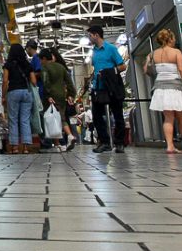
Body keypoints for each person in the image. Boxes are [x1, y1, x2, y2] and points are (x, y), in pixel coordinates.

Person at [146, 29, 182, 155]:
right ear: (170, 39)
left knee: (168, 118)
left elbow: (146, 69)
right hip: (175, 87)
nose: (175, 40)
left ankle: (170, 146)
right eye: (173, 38)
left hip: (160, 88)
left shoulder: (153, 54)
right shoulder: (176, 52)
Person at [87, 25, 127, 154]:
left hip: (112, 86)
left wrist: (109, 72)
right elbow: (96, 68)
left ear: (96, 35)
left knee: (117, 114)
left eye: (90, 35)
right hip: (98, 87)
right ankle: (104, 142)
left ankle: (119, 143)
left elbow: (123, 66)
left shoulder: (111, 49)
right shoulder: (94, 52)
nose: (89, 38)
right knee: (96, 116)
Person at [41, 49, 78, 151]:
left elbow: (45, 82)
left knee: (56, 119)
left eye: (41, 60)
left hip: (51, 97)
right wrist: (70, 94)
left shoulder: (45, 68)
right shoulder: (61, 67)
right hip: (62, 96)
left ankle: (69, 136)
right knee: (58, 118)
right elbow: (69, 82)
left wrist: (48, 96)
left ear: (44, 59)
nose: (40, 62)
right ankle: (57, 145)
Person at [1, 43, 34, 154]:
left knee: (13, 120)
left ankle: (15, 147)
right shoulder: (27, 64)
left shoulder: (8, 65)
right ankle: (25, 148)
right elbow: (33, 81)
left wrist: (3, 96)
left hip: (13, 92)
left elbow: (5, 81)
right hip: (26, 93)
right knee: (25, 120)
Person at [25, 40, 45, 138]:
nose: (26, 51)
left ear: (29, 48)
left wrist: (29, 76)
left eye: (26, 49)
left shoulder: (36, 58)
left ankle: (44, 138)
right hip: (38, 89)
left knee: (40, 114)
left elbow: (39, 72)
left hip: (39, 89)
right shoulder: (35, 58)